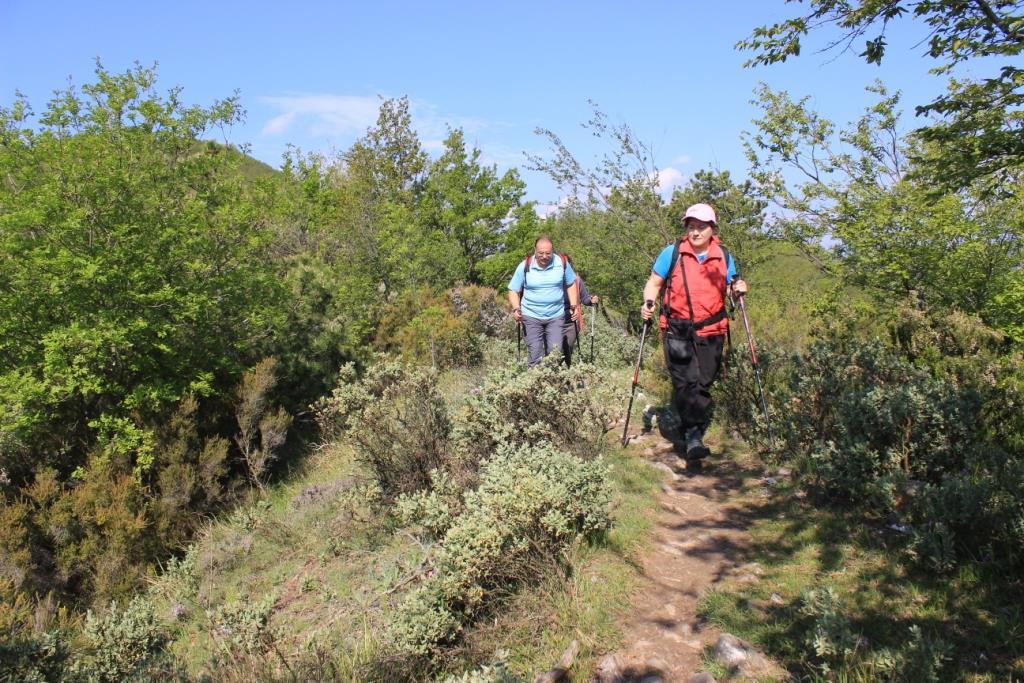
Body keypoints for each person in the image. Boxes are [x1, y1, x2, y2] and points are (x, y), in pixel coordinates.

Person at [640, 203, 747, 468]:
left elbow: (732, 289)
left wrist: (739, 289)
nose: (695, 232)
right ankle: (693, 435)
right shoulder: (672, 252)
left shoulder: (723, 255)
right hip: (677, 328)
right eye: (691, 227)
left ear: (712, 229)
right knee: (685, 381)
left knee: (703, 382)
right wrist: (648, 303)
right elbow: (654, 283)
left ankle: (692, 428)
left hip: (712, 329)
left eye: (701, 227)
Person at [508, 235, 581, 367]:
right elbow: (513, 289)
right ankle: (535, 385)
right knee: (535, 354)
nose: (544, 256)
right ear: (535, 250)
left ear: (552, 251)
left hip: (556, 316)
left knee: (555, 353)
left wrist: (574, 305)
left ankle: (552, 384)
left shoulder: (562, 263)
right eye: (541, 253)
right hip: (531, 316)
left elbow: (571, 283)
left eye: (548, 253)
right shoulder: (525, 266)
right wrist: (515, 308)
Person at [561, 263, 599, 365]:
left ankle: (565, 376)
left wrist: (591, 300)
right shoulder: (549, 280)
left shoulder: (576, 280)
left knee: (567, 350)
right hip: (552, 320)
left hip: (571, 322)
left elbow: (585, 298)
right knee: (554, 349)